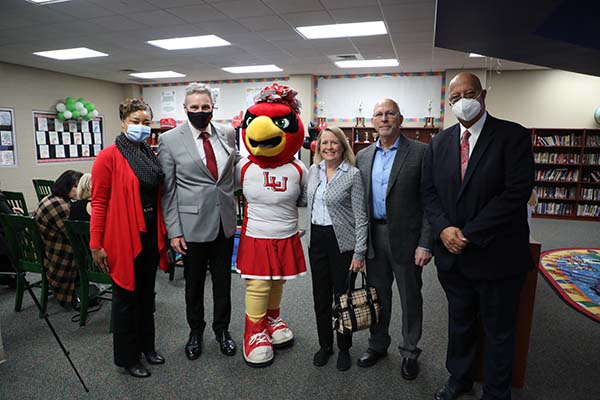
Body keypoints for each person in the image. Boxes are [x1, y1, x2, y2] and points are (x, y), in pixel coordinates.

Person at [421, 72, 534, 400]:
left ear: (483, 94)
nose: (462, 102)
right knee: (460, 323)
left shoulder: (512, 137)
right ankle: (460, 378)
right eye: (455, 98)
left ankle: (497, 392)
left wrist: (468, 234)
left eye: (468, 93)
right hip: (453, 258)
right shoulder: (440, 143)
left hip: (496, 255)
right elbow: (428, 193)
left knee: (499, 331)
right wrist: (443, 229)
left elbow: (515, 194)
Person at [158, 83, 238, 361]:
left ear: (212, 108)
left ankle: (222, 330)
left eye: (205, 107)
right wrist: (173, 231)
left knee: (223, 283)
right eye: (195, 108)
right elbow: (168, 191)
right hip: (190, 227)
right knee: (193, 286)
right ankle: (195, 332)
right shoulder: (170, 140)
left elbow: (229, 176)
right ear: (185, 109)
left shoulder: (228, 133)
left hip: (224, 222)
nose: (201, 112)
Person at [91, 98, 169, 378]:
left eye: (146, 122)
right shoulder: (108, 156)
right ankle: (128, 357)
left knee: (147, 296)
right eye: (135, 122)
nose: (141, 127)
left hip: (148, 234)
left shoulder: (149, 154)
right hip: (123, 237)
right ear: (123, 122)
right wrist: (96, 245)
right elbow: (99, 202)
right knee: (126, 300)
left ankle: (147, 347)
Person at [355, 99, 432, 380]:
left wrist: (426, 243)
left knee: (410, 297)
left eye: (390, 114)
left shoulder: (421, 153)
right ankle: (378, 345)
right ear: (372, 122)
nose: (384, 118)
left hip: (408, 241)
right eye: (379, 114)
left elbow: (429, 202)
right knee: (379, 296)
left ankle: (410, 352)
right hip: (374, 236)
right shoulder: (362, 156)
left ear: (400, 119)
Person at [306, 126, 368, 371]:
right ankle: (325, 345)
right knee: (320, 297)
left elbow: (360, 216)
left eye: (334, 143)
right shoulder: (314, 171)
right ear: (318, 146)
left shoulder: (352, 174)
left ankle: (344, 347)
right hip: (316, 241)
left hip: (342, 243)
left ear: (343, 146)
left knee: (343, 299)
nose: (329, 147)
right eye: (324, 143)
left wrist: (359, 252)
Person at [34, 170, 82, 310]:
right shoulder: (61, 206)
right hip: (61, 257)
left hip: (49, 252)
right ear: (67, 186)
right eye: (76, 187)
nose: (79, 191)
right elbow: (75, 237)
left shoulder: (49, 198)